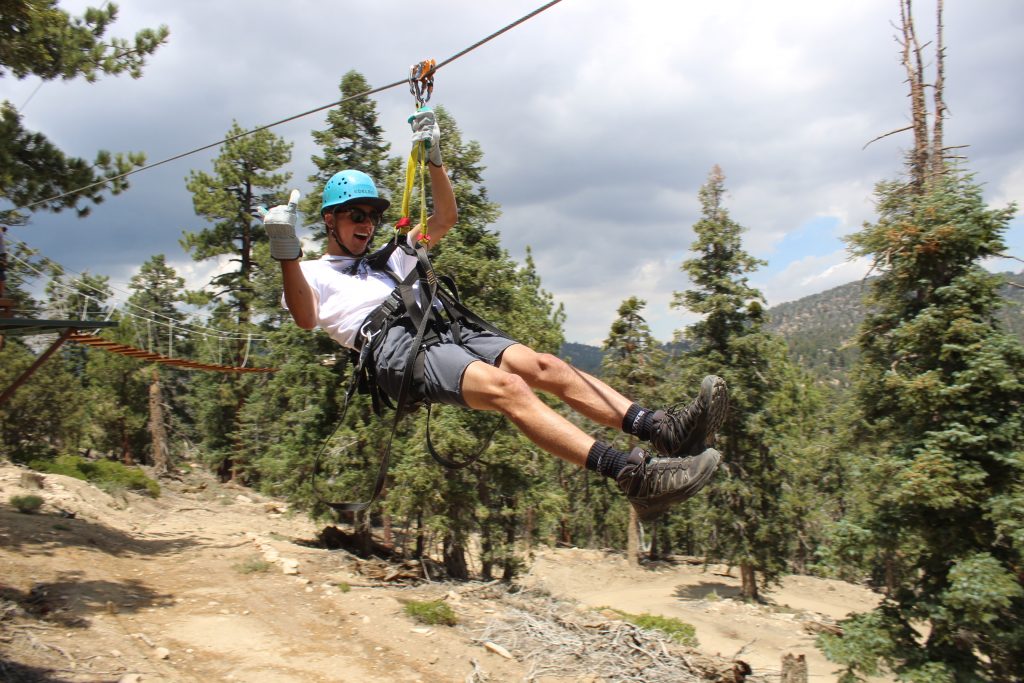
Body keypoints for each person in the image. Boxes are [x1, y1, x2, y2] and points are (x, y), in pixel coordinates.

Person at [263, 109, 728, 522]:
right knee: (509, 389)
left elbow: (444, 218)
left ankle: (661, 429)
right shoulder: (311, 273)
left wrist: (435, 160)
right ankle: (633, 477)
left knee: (546, 365)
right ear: (330, 220)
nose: (365, 224)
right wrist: (285, 251)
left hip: (441, 326)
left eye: (370, 215)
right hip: (395, 349)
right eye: (353, 216)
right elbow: (305, 317)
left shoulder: (392, 256)